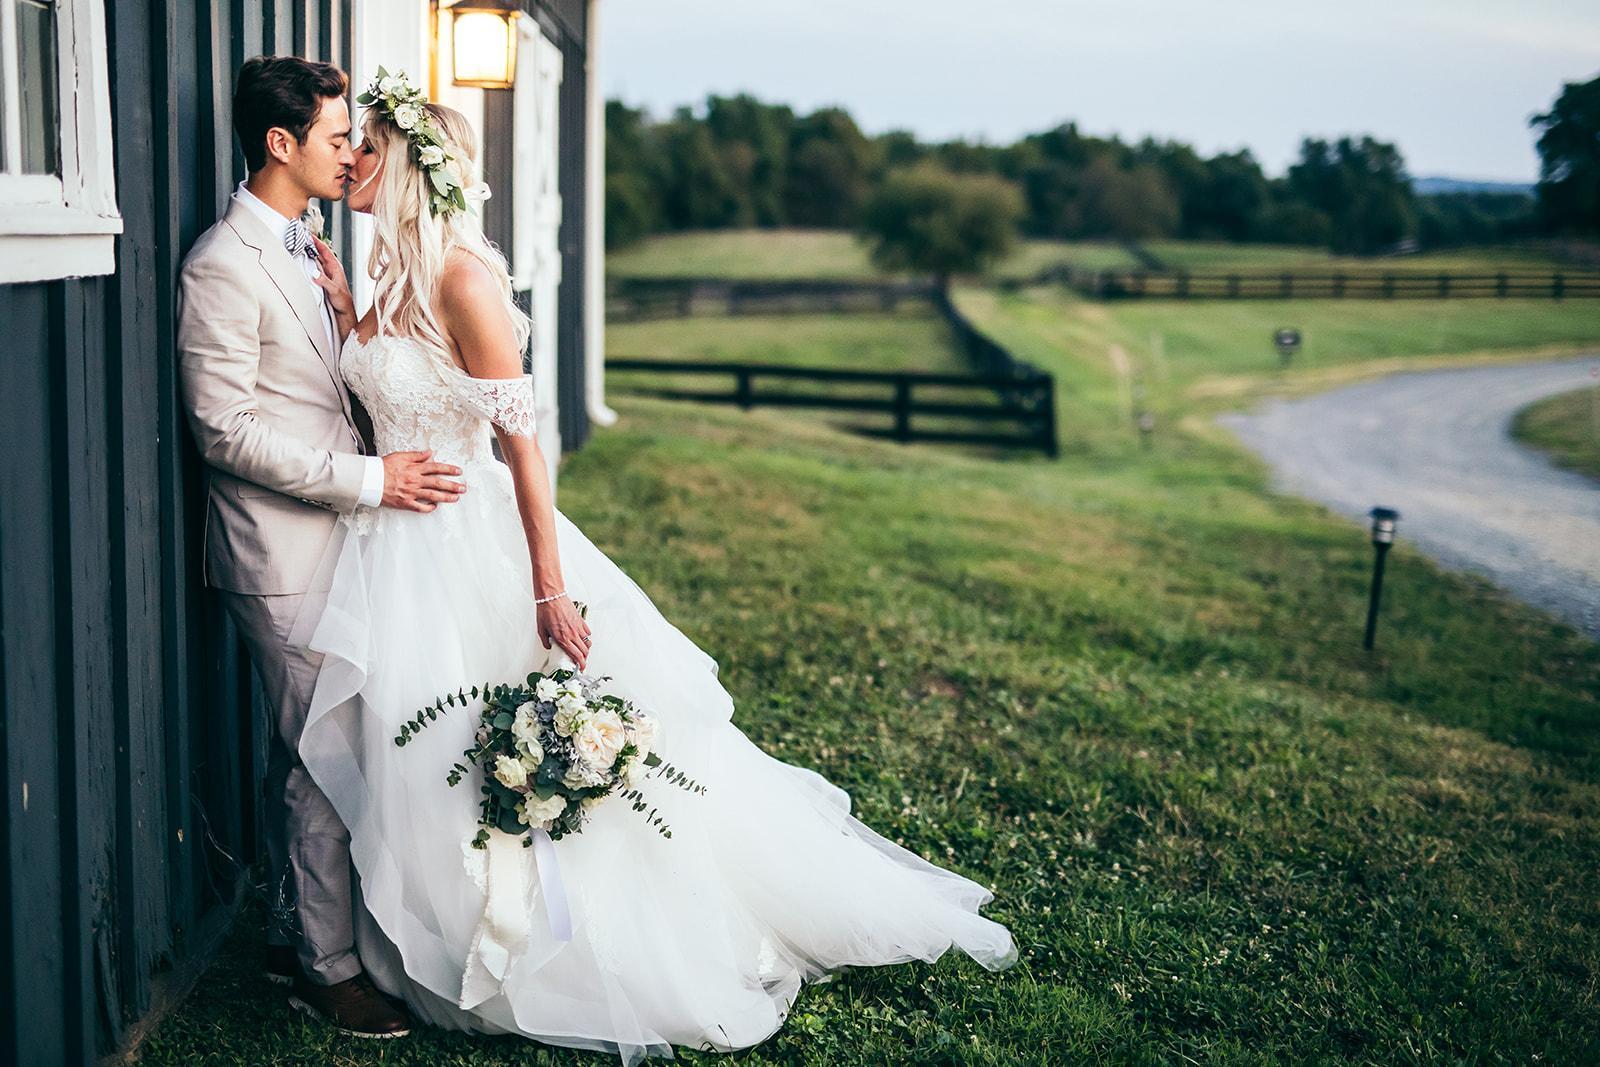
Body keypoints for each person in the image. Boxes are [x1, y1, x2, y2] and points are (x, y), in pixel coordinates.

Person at [287, 67, 1019, 1063]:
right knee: (414, 749)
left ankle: (532, 945)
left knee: (464, 738)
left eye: (368, 148)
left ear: (413, 167)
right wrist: (345, 314)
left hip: (464, 542)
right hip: (392, 550)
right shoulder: (390, 276)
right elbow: (395, 386)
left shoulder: (463, 277)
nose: (351, 162)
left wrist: (548, 585)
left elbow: (522, 447)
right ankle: (431, 939)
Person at [175, 55, 466, 1038]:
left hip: (345, 540)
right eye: (339, 139)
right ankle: (328, 968)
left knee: (309, 751)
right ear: (280, 142)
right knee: (327, 756)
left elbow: (324, 385)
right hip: (279, 551)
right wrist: (374, 480)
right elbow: (224, 431)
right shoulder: (221, 264)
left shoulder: (307, 246)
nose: (352, 155)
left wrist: (348, 321)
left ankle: (290, 927)